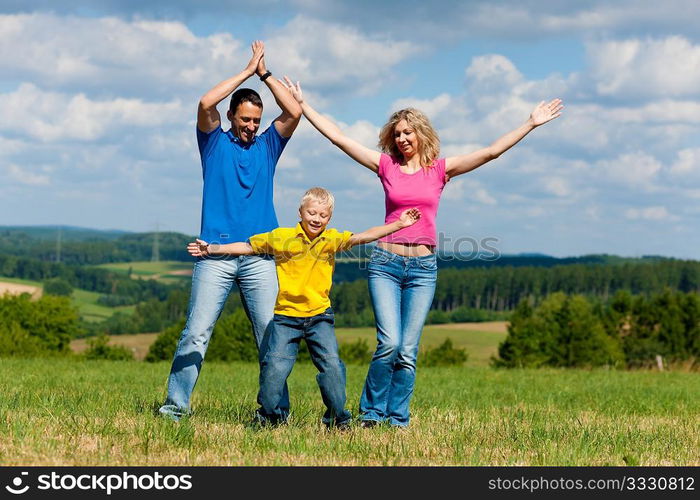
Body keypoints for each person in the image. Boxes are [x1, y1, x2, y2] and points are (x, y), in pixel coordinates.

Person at [280, 76, 563, 427]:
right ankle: (371, 413)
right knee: (389, 343)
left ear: (420, 134)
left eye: (407, 133)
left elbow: (491, 151)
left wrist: (530, 124)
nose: (401, 139)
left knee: (408, 351)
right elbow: (339, 138)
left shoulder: (440, 171)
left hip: (423, 269)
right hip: (385, 263)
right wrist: (304, 106)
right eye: (396, 134)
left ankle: (397, 417)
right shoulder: (386, 167)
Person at [186, 187, 421, 428]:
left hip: (320, 317)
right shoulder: (282, 237)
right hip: (286, 318)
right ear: (300, 212)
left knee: (332, 368)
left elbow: (364, 236)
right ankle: (270, 416)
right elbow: (248, 247)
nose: (317, 219)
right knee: (274, 368)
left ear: (329, 219)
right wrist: (212, 249)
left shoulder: (331, 240)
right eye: (312, 213)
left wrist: (398, 225)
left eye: (323, 215)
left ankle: (337, 418)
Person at [158, 41, 302, 421]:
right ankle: (175, 408)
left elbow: (294, 111)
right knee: (196, 334)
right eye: (245, 119)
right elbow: (205, 103)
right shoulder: (213, 142)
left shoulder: (269, 145)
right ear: (232, 116)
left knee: (270, 339)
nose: (252, 127)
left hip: (260, 258)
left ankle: (274, 413)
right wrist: (246, 70)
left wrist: (265, 74)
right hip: (214, 256)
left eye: (256, 120)